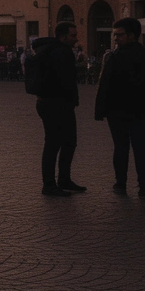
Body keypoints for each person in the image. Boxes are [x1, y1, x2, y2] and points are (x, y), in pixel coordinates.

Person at [94, 18, 145, 199]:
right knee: (140, 146)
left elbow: (104, 86)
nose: (115, 38)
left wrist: (101, 110)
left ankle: (121, 183)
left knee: (121, 147)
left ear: (132, 35)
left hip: (117, 111)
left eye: (119, 34)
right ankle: (143, 185)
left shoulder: (114, 57)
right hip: (139, 110)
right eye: (114, 34)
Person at [32, 23, 84, 196]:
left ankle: (61, 179)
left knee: (61, 142)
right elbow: (66, 80)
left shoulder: (45, 49)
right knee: (57, 143)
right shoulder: (62, 52)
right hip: (58, 103)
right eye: (73, 35)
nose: (76, 39)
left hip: (46, 102)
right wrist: (71, 100)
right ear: (62, 37)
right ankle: (50, 184)